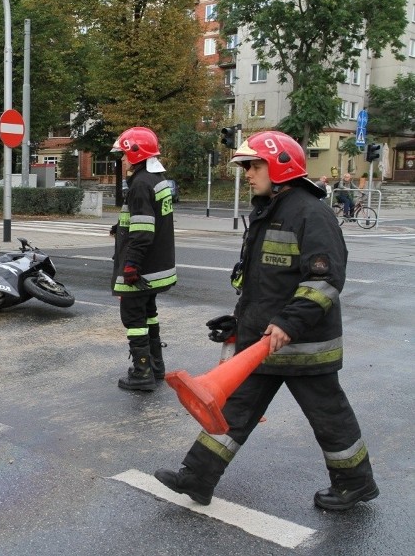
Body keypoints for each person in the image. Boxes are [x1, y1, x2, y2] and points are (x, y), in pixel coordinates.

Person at [154, 131, 378, 511]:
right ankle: (197, 477)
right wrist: (240, 321)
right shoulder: (269, 210)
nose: (248, 174)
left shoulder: (311, 213)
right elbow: (263, 282)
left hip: (304, 346)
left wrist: (289, 323)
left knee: (329, 417)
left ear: (279, 167)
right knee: (233, 412)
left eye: (254, 166)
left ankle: (355, 484)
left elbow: (324, 280)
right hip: (262, 343)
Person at [109, 127, 177, 391]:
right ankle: (157, 366)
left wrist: (130, 266)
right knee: (149, 315)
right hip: (158, 268)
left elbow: (143, 231)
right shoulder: (157, 179)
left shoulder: (139, 184)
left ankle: (142, 373)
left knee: (134, 319)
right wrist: (120, 227)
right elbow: (151, 220)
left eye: (125, 153)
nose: (123, 158)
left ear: (136, 153)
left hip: (142, 270)